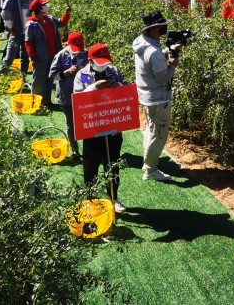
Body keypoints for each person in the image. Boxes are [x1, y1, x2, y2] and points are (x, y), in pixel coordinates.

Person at [73, 43, 127, 212]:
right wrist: (94, 87)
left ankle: (113, 197)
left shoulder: (114, 72)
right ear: (90, 61)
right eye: (99, 62)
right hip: (92, 128)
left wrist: (119, 87)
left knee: (112, 163)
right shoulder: (82, 75)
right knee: (91, 165)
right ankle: (91, 199)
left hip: (112, 126)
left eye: (105, 62)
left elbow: (126, 94)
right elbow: (77, 99)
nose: (103, 66)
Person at [133, 11, 181, 182]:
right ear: (153, 29)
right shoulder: (153, 51)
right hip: (158, 98)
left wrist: (167, 52)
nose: (164, 29)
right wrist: (173, 64)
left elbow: (153, 60)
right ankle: (150, 170)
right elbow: (162, 78)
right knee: (158, 134)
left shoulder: (141, 42)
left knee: (151, 130)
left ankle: (148, 162)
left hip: (146, 96)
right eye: (161, 26)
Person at [23, 0, 70, 107]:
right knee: (39, 80)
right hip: (40, 57)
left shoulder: (49, 19)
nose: (47, 6)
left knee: (49, 79)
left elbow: (61, 23)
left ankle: (47, 101)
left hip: (52, 55)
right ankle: (36, 102)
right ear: (39, 8)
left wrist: (67, 14)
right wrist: (33, 59)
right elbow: (28, 44)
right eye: (44, 5)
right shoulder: (31, 24)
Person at [50, 31, 88, 160]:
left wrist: (83, 71)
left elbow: (93, 75)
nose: (78, 51)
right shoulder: (61, 55)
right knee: (71, 124)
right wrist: (66, 72)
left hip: (84, 95)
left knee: (86, 123)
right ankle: (75, 149)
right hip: (66, 94)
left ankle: (90, 149)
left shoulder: (87, 55)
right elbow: (52, 74)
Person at [0, 0, 34, 73]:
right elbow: (5, 13)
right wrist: (10, 27)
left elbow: (39, 6)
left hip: (27, 33)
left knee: (25, 57)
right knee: (10, 56)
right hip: (16, 31)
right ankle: (1, 75)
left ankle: (23, 77)